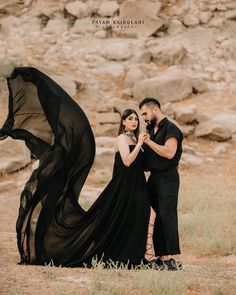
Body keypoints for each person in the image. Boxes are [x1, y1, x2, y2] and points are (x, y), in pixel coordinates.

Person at [0, 67, 155, 267]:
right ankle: (129, 256)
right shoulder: (122, 138)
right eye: (130, 119)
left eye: (136, 119)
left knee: (137, 214)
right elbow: (127, 161)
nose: (134, 122)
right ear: (123, 122)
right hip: (124, 185)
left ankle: (141, 255)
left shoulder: (135, 138)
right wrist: (141, 144)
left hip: (137, 184)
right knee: (116, 219)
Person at [139, 97, 183, 271]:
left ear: (154, 110)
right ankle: (159, 256)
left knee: (166, 215)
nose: (144, 118)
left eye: (145, 113)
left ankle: (170, 258)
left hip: (168, 178)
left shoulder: (171, 128)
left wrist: (149, 141)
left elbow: (169, 153)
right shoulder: (150, 129)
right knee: (153, 215)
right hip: (154, 178)